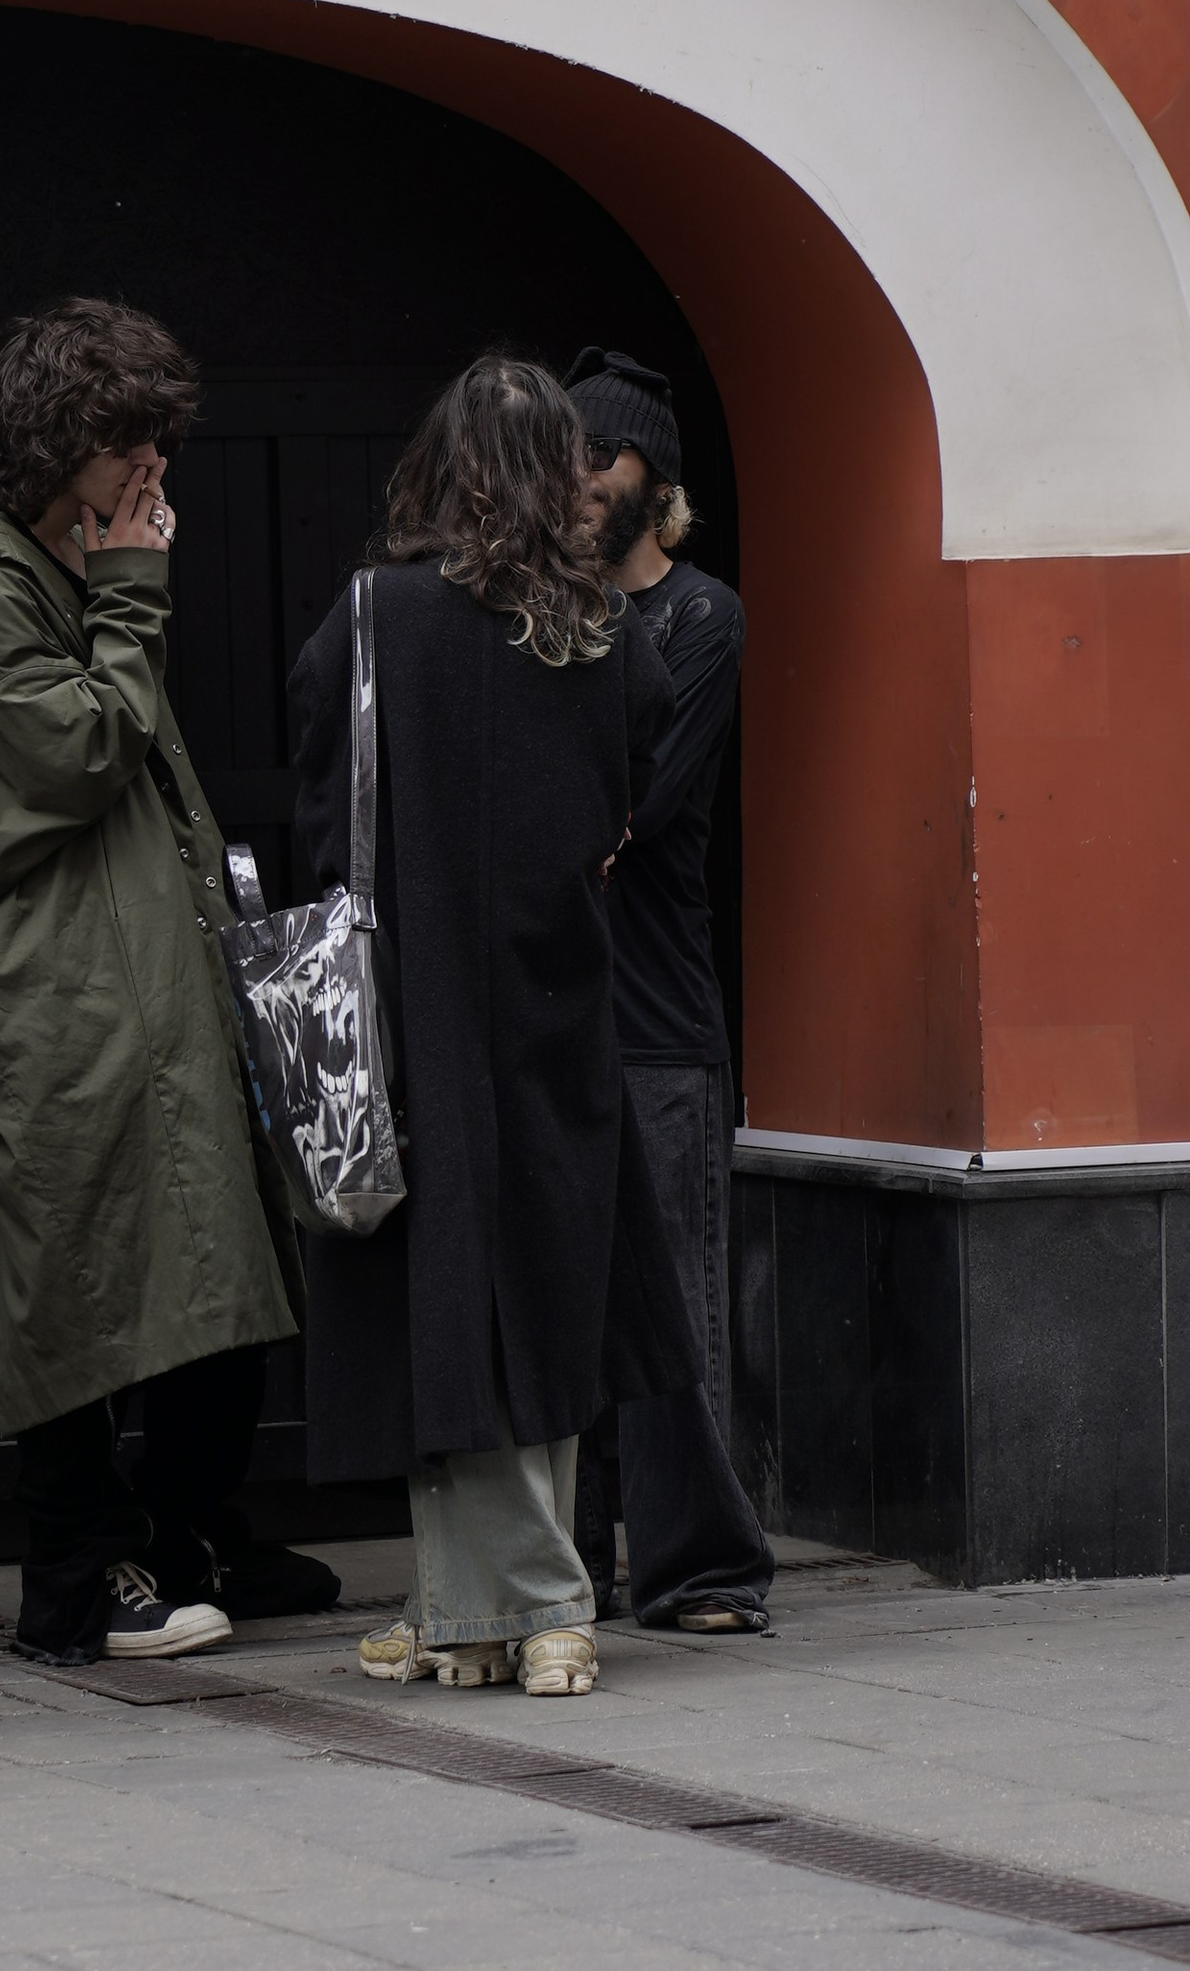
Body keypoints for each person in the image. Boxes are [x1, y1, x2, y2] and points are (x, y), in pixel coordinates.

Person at [0, 297, 336, 1666]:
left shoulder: (56, 556)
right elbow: (79, 753)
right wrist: (133, 588)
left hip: (146, 961)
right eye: (132, 440)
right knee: (76, 1262)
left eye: (160, 442)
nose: (155, 469)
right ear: (58, 437)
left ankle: (187, 1531)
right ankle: (77, 1569)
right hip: (61, 983)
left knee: (218, 1241)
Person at [289, 355, 700, 1698]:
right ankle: (467, 1610)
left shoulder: (381, 612)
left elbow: (320, 784)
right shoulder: (604, 630)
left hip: (416, 1011)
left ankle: (537, 1604)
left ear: (445, 464)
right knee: (548, 1293)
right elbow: (635, 778)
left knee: (452, 1300)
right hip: (559, 996)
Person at [566, 345, 775, 1633]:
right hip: (554, 1011)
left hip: (657, 1022)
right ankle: (574, 1567)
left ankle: (700, 1568)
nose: (581, 477)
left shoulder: (701, 618)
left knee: (676, 1311)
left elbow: (636, 806)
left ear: (658, 478)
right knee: (568, 1302)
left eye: (604, 454)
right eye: (567, 456)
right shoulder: (545, 611)